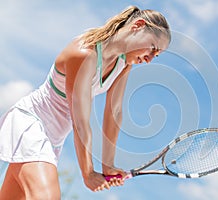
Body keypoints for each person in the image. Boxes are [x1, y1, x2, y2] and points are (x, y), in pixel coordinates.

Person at [0, 5, 171, 199]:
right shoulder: (84, 54)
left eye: (155, 57)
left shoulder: (124, 63)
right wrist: (88, 173)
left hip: (53, 139)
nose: (149, 60)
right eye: (152, 49)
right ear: (138, 26)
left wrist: (108, 165)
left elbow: (114, 113)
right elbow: (80, 120)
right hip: (31, 124)